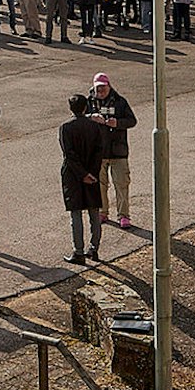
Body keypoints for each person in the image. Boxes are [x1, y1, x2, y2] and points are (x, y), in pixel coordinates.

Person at [58, 94, 107, 264]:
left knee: (76, 213)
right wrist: (91, 173)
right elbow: (99, 151)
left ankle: (78, 251)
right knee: (94, 212)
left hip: (73, 175)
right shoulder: (94, 127)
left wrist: (82, 174)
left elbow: (69, 154)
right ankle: (94, 249)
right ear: (85, 107)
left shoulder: (66, 128)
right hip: (92, 173)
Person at [86, 73, 137, 228]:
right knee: (100, 184)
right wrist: (91, 117)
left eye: (103, 88)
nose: (100, 92)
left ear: (109, 86)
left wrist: (117, 123)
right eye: (98, 89)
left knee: (121, 184)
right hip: (98, 152)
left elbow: (132, 121)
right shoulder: (89, 102)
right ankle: (103, 212)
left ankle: (123, 215)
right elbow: (78, 117)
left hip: (118, 151)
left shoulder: (120, 102)